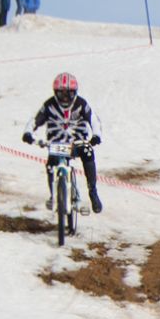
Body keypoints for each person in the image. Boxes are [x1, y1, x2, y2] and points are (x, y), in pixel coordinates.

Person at [20, 72, 103, 213]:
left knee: (88, 153)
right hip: (56, 144)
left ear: (74, 92)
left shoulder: (81, 104)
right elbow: (35, 119)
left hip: (79, 142)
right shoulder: (49, 105)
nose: (65, 98)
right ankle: (54, 194)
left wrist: (96, 135)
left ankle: (93, 192)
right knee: (51, 163)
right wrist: (28, 133)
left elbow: (93, 119)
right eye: (61, 94)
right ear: (55, 93)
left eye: (69, 94)